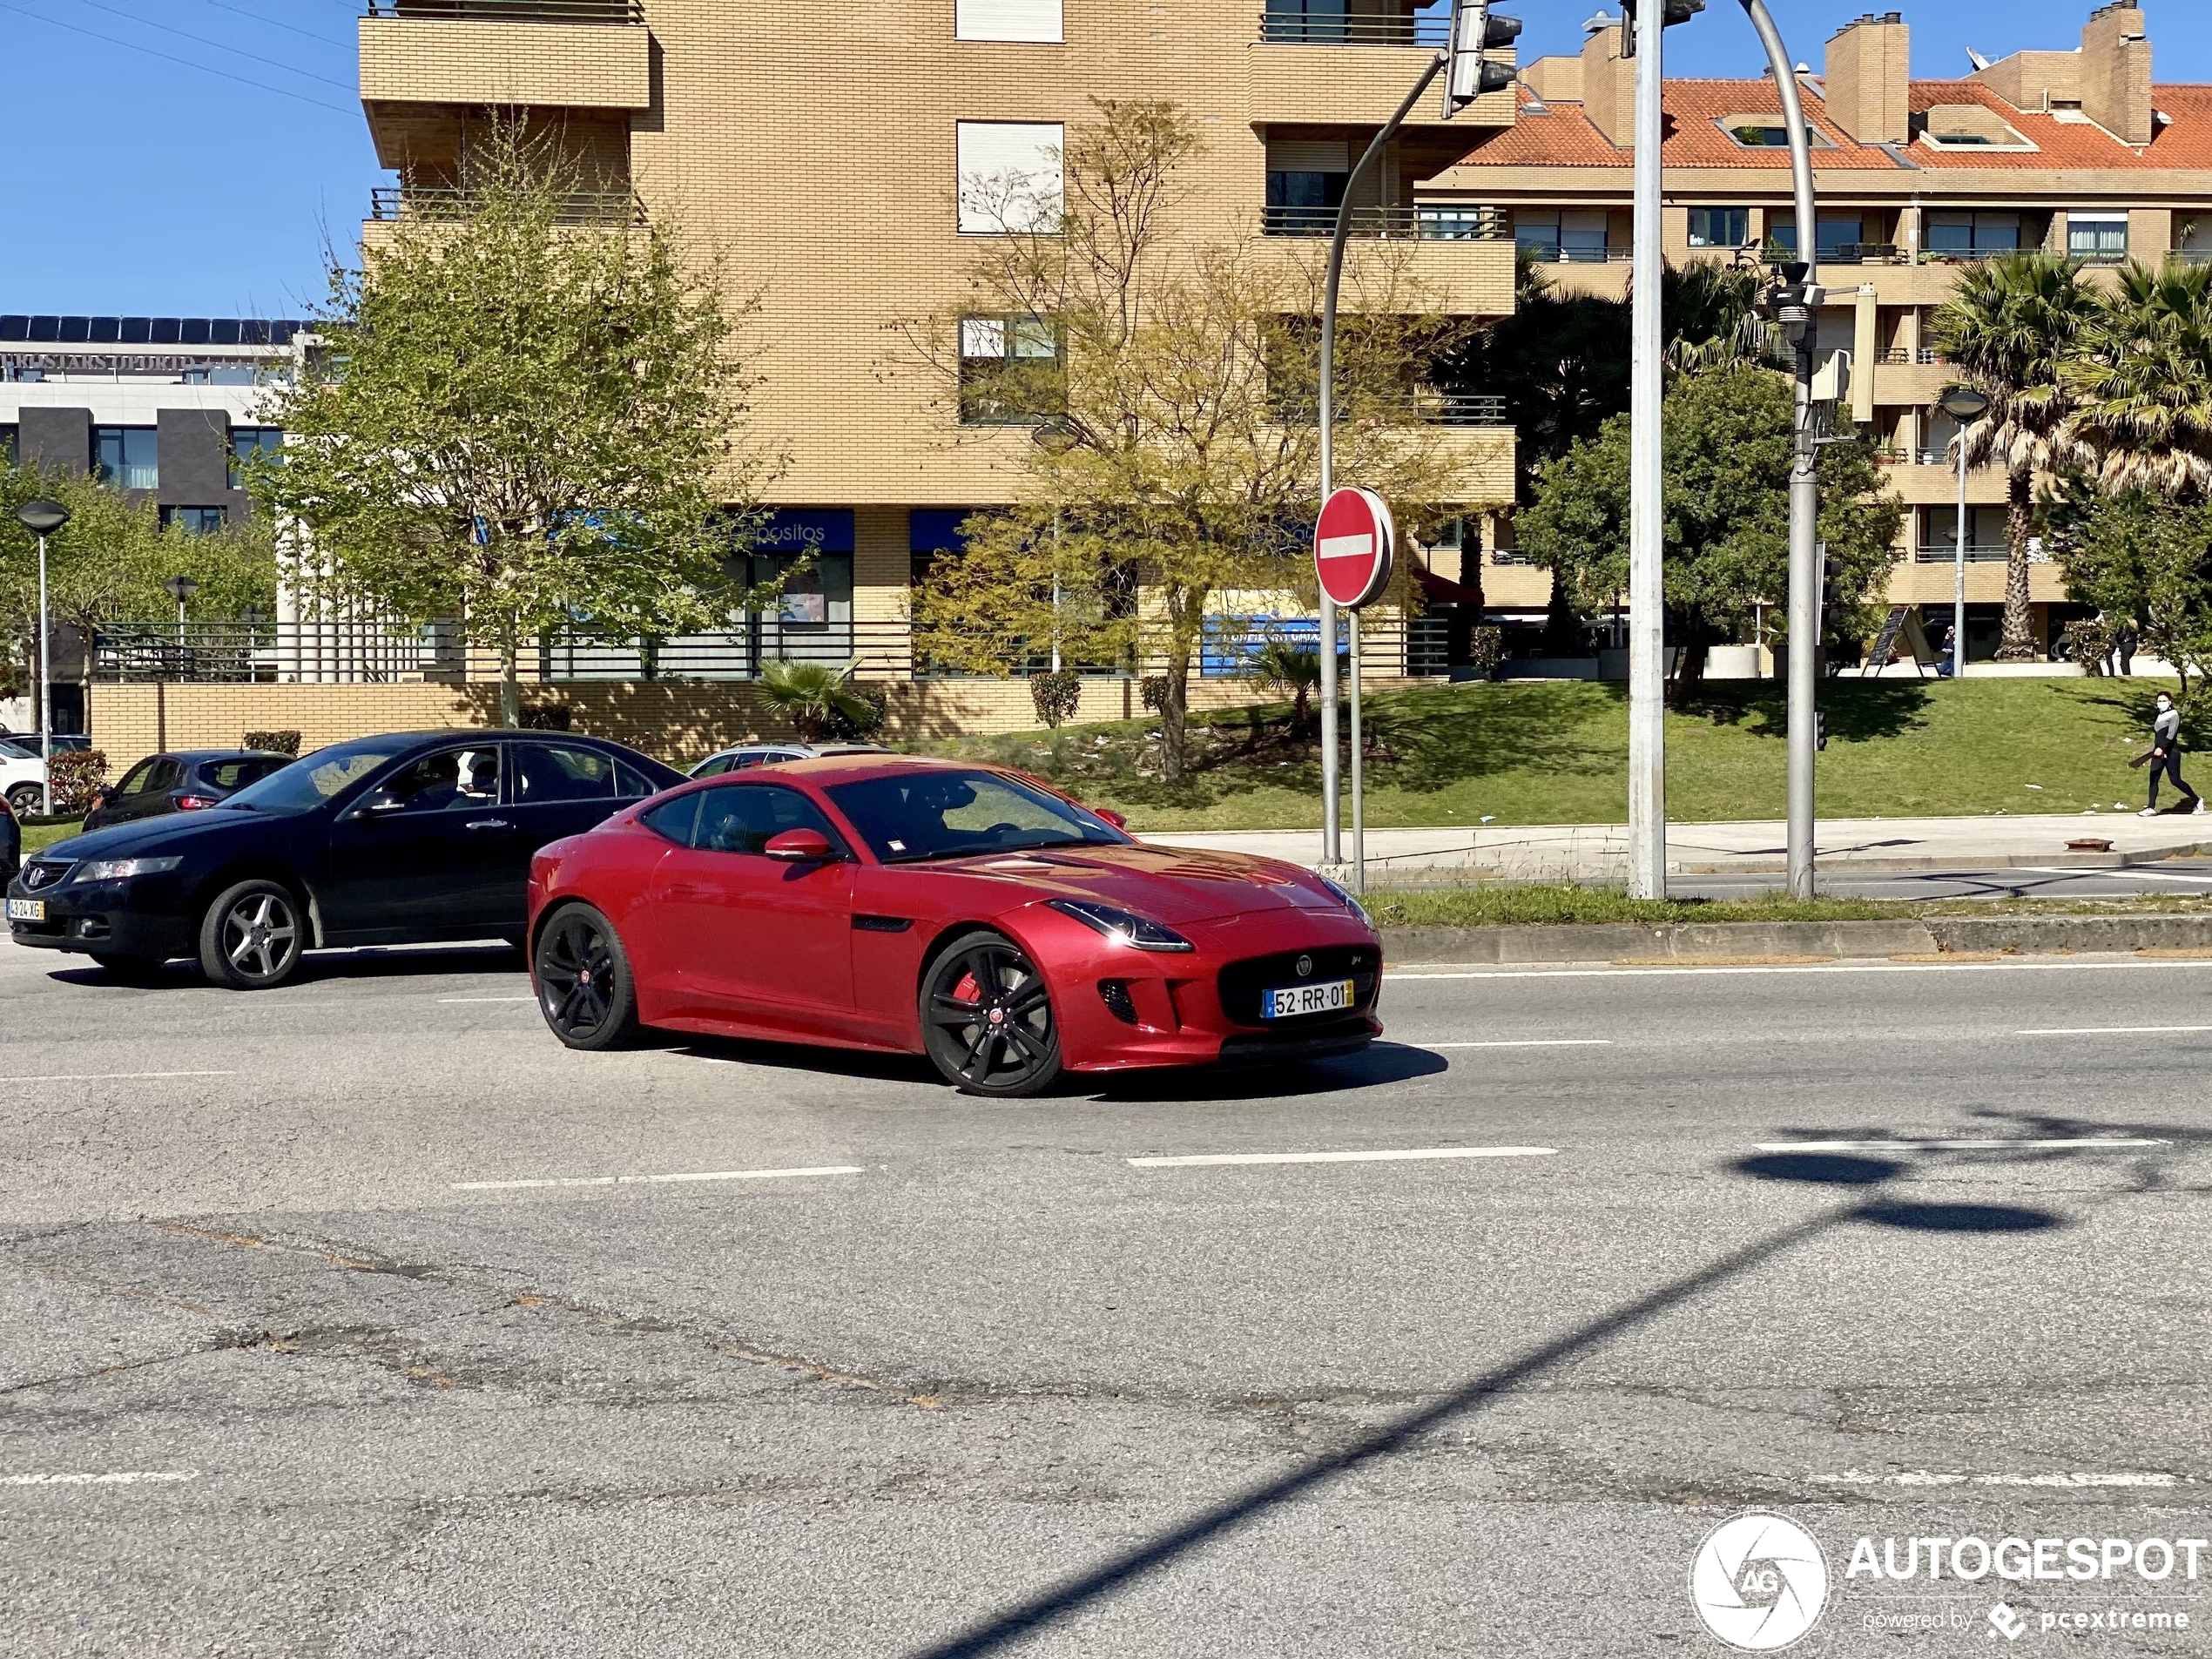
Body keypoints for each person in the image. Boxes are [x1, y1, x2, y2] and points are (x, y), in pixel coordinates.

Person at [2141, 690, 2202, 815]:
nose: (2161, 703)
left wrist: (2162, 748)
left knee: (2175, 780)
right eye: (2159, 701)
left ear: (2169, 702)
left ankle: (2196, 800)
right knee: (2154, 777)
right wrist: (2157, 749)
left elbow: (2171, 734)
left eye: (2164, 701)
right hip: (2158, 752)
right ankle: (2151, 807)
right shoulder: (2159, 716)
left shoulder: (2174, 714)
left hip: (2171, 751)